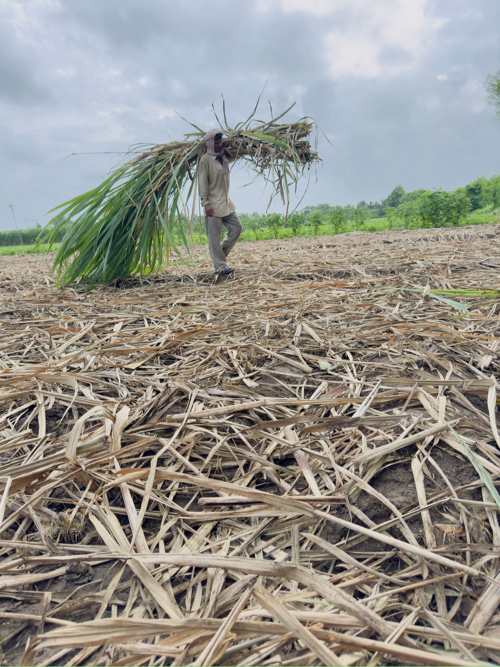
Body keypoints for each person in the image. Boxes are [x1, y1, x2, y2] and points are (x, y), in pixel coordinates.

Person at [198, 130, 242, 276]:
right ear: (210, 143)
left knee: (236, 228)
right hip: (212, 205)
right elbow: (202, 183)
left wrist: (240, 138)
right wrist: (205, 203)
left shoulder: (223, 157)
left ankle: (218, 257)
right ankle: (221, 267)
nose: (218, 145)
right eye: (216, 142)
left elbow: (238, 153)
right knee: (214, 238)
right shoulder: (205, 160)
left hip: (225, 203)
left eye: (220, 142)